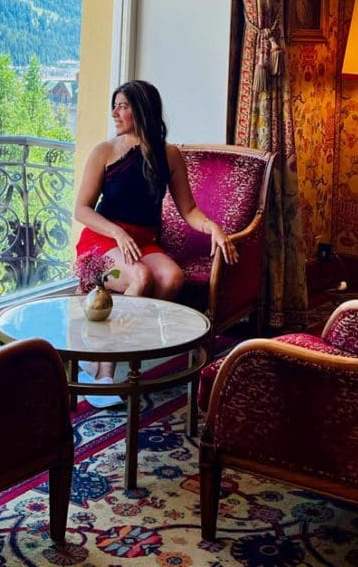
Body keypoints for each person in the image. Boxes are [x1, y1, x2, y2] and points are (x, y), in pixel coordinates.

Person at [73, 79, 237, 406]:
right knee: (141, 277)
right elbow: (81, 209)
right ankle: (104, 372)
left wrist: (214, 228)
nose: (115, 113)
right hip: (101, 239)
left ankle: (131, 350)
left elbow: (188, 209)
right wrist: (118, 233)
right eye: (114, 105)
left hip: (143, 242)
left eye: (123, 106)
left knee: (172, 277)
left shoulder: (169, 155)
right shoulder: (104, 151)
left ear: (143, 110)